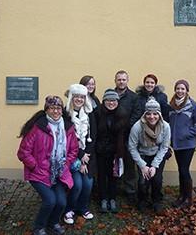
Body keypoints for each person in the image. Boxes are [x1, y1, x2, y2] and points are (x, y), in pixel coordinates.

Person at [17, 96, 79, 235]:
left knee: (61, 202)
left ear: (62, 111)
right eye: (52, 108)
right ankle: (39, 227)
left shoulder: (68, 128)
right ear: (46, 110)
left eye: (58, 108)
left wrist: (66, 163)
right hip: (39, 172)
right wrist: (35, 166)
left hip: (59, 172)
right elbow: (23, 152)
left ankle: (53, 223)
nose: (55, 111)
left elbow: (73, 149)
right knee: (50, 201)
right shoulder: (38, 127)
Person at [128, 97, 170, 212]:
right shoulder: (137, 127)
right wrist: (142, 165)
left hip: (157, 155)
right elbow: (132, 147)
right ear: (145, 114)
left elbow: (164, 147)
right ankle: (142, 200)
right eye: (149, 114)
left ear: (159, 114)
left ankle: (156, 200)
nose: (152, 117)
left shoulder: (165, 126)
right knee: (143, 180)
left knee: (157, 179)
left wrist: (155, 165)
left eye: (155, 114)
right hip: (142, 155)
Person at [62, 84, 97, 225]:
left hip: (87, 157)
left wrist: (85, 157)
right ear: (71, 97)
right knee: (77, 185)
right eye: (76, 96)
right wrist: (80, 156)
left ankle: (82, 208)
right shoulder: (65, 115)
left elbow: (93, 136)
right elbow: (68, 140)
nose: (79, 99)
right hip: (72, 157)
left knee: (88, 184)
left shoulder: (89, 114)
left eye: (82, 97)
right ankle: (69, 210)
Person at [169, 80, 196, 208]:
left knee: (184, 170)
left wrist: (187, 133)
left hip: (188, 144)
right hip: (176, 144)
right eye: (178, 88)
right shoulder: (171, 105)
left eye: (182, 89)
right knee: (181, 170)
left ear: (187, 90)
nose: (180, 91)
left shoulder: (193, 106)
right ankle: (181, 196)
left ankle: (188, 199)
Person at [96, 89, 128, 213]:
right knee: (102, 176)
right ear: (104, 101)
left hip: (116, 151)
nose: (111, 103)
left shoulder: (122, 114)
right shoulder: (98, 113)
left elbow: (124, 135)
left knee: (113, 176)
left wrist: (119, 151)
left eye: (114, 100)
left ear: (117, 102)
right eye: (108, 100)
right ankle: (103, 198)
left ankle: (112, 198)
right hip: (101, 150)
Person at [113, 70, 138, 203]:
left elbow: (136, 114)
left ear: (127, 81)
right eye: (119, 79)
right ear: (115, 81)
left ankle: (130, 190)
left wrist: (125, 126)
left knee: (129, 163)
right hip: (113, 135)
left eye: (124, 79)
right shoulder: (110, 94)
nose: (121, 82)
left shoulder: (133, 97)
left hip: (128, 135)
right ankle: (115, 188)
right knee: (114, 162)